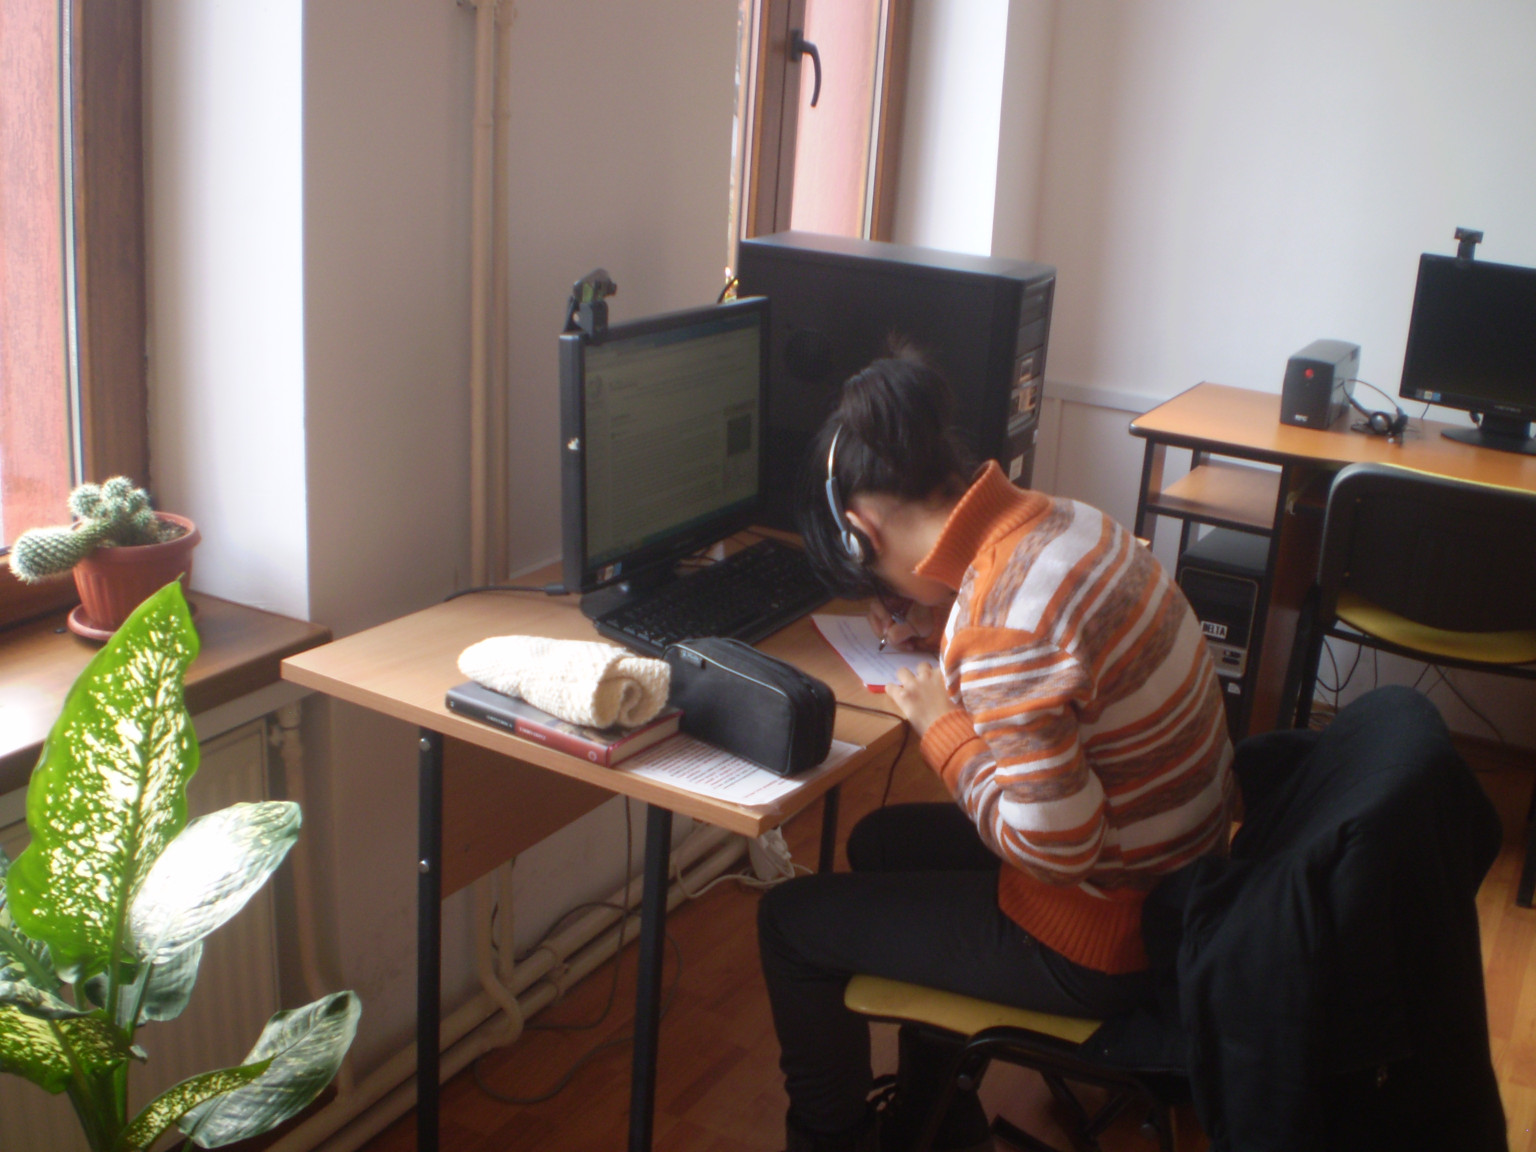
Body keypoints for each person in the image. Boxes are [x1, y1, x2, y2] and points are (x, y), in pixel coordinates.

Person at [759, 349, 1236, 1152]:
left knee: (788, 924)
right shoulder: (1066, 522)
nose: (885, 597)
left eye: (874, 577)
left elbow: (1057, 846)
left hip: (1105, 936)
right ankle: (935, 1119)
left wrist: (943, 727)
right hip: (1181, 887)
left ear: (861, 529)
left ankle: (835, 1141)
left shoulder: (1001, 627)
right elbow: (1051, 660)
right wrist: (950, 628)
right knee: (880, 843)